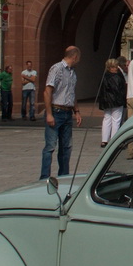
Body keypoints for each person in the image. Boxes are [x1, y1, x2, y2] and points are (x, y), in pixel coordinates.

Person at [40, 44, 83, 179]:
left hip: (67, 112)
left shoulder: (72, 72)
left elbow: (72, 93)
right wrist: (49, 114)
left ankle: (63, 176)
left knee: (66, 147)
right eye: (79, 58)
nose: (79, 61)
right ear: (74, 57)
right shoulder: (57, 68)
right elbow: (47, 91)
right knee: (50, 147)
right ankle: (44, 177)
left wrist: (76, 111)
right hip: (56, 110)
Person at [97, 55, 127, 144]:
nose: (116, 68)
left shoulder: (104, 76)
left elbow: (101, 89)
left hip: (106, 101)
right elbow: (121, 89)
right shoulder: (118, 76)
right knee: (116, 120)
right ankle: (113, 140)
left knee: (107, 119)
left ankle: (104, 140)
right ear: (111, 67)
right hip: (117, 101)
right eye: (115, 66)